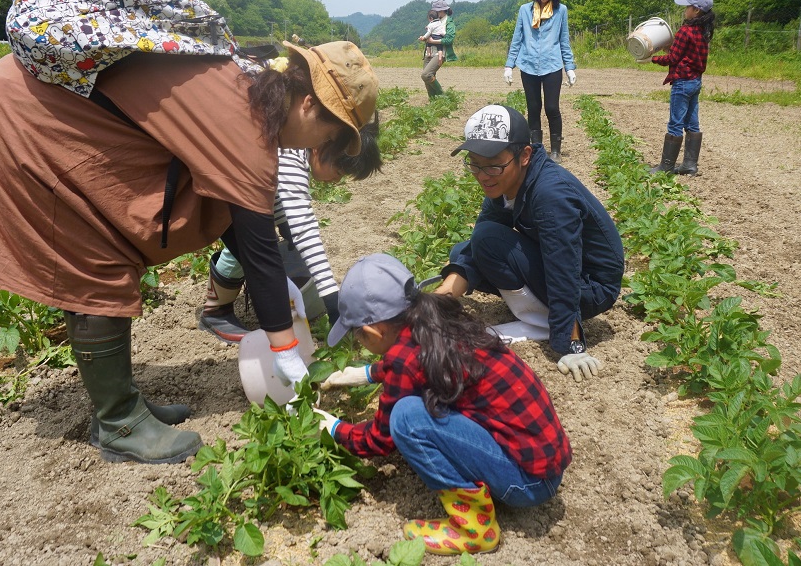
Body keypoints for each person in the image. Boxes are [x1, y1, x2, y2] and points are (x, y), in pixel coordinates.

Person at [0, 38, 379, 464]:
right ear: (307, 104)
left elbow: (235, 223)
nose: (316, 148)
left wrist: (282, 297)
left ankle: (124, 400)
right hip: (26, 117)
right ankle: (118, 421)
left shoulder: (251, 89)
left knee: (106, 241)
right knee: (96, 253)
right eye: (328, 137)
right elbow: (259, 246)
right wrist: (288, 355)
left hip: (38, 103)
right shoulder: (247, 122)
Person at [315, 253, 571, 556]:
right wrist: (366, 373)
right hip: (546, 464)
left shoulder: (402, 359)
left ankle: (473, 528)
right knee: (424, 404)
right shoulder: (436, 318)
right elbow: (417, 364)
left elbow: (380, 439)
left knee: (406, 417)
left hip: (525, 483)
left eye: (359, 338)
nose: (361, 345)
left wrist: (334, 428)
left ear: (374, 332)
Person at [434, 104, 624, 382]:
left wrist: (569, 344)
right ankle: (447, 301)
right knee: (470, 246)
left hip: (592, 287)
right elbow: (476, 247)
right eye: (474, 163)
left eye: (493, 165)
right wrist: (439, 301)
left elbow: (563, 267)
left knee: (487, 239)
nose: (482, 175)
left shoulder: (550, 194)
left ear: (524, 155)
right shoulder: (506, 181)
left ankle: (542, 323)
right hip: (564, 270)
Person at [200, 119, 383, 341]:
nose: (336, 180)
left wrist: (285, 224)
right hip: (209, 180)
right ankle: (216, 310)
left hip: (220, 170)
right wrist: (332, 303)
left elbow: (274, 186)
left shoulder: (294, 134)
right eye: (339, 171)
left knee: (258, 229)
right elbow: (304, 230)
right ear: (323, 146)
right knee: (254, 234)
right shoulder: (294, 151)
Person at [503, 0, 577, 163]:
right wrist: (509, 66)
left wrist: (569, 67)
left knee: (552, 108)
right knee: (533, 108)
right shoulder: (525, 10)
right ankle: (536, 149)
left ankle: (556, 151)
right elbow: (517, 39)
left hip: (552, 65)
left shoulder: (561, 11)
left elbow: (564, 41)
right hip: (528, 65)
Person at [648, 0, 714, 176]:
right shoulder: (703, 31)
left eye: (688, 7)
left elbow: (674, 57)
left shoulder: (685, 31)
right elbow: (685, 53)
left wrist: (652, 59)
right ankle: (689, 165)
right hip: (695, 82)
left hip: (682, 82)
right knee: (692, 124)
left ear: (697, 11)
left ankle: (666, 167)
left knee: (675, 124)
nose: (685, 10)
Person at [420, 0, 457, 99]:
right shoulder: (436, 21)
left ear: (443, 11)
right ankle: (433, 102)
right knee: (427, 79)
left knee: (426, 75)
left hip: (440, 53)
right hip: (429, 53)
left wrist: (433, 41)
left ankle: (443, 97)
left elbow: (449, 39)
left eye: (437, 10)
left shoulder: (449, 23)